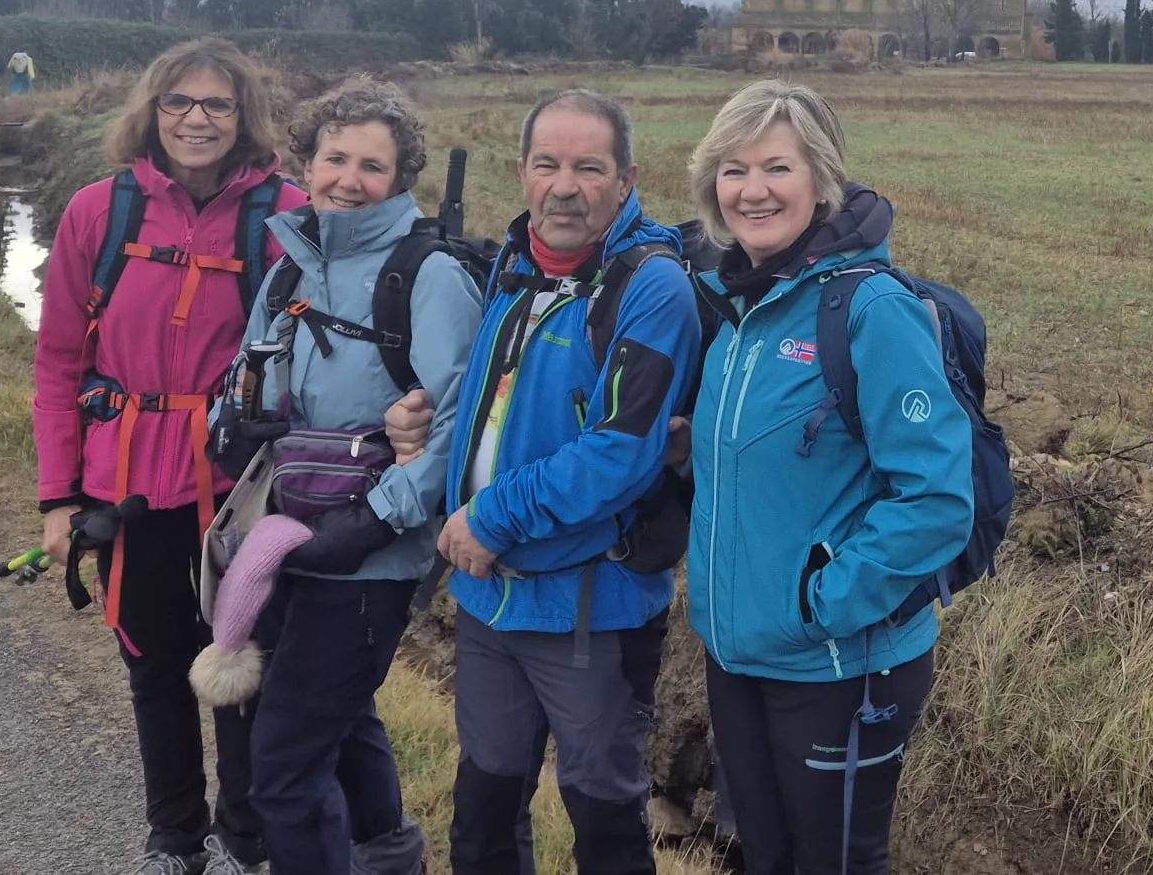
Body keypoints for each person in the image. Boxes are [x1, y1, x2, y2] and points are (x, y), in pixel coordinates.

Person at [388, 88, 702, 875]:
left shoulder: (652, 286)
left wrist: (489, 518)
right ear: (521, 173)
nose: (566, 186)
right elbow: (493, 405)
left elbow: (621, 451)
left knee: (602, 815)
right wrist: (418, 435)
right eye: (548, 164)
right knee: (485, 808)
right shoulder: (515, 264)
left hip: (593, 606)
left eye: (589, 167)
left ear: (627, 179)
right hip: (491, 597)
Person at [684, 80, 973, 875]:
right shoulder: (735, 306)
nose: (753, 190)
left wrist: (823, 603)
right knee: (767, 858)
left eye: (777, 167)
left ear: (821, 177)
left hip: (839, 662)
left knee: (836, 864)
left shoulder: (870, 310)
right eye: (734, 170)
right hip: (736, 653)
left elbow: (938, 498)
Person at [32, 38, 305, 875]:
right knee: (153, 666)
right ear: (153, 112)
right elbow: (58, 363)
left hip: (237, 490)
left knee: (236, 664)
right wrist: (57, 498)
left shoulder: (287, 214)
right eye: (179, 102)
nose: (196, 119)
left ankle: (243, 839)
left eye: (216, 104)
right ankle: (172, 840)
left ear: (243, 117)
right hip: (127, 486)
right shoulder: (98, 212)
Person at [203, 79, 482, 875]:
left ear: (401, 178)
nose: (348, 179)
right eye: (334, 158)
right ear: (307, 161)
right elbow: (248, 376)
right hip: (287, 536)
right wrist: (237, 422)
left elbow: (455, 418)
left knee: (284, 769)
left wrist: (378, 519)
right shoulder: (292, 265)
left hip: (370, 561)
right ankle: (392, 858)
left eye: (371, 165)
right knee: (343, 718)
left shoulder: (426, 276)